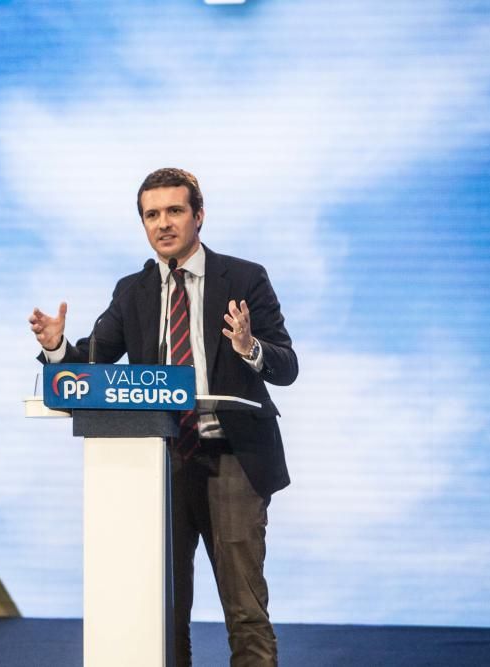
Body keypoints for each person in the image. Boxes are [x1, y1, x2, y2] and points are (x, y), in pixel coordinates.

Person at [29, 167, 297, 666]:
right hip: (159, 463)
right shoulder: (133, 291)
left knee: (244, 609)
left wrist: (248, 346)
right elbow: (93, 362)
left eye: (174, 211)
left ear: (199, 215)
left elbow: (286, 365)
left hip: (234, 459)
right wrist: (57, 347)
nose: (164, 223)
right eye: (152, 215)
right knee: (163, 612)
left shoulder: (243, 278)